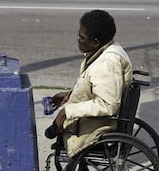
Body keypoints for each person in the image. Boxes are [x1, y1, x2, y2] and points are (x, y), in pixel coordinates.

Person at [48, 10, 133, 158]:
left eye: (82, 37)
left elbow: (108, 104)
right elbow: (97, 86)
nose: (77, 39)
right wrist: (70, 95)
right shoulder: (106, 49)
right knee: (57, 124)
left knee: (57, 125)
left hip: (99, 125)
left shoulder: (107, 63)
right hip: (97, 119)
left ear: (95, 42)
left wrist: (67, 111)